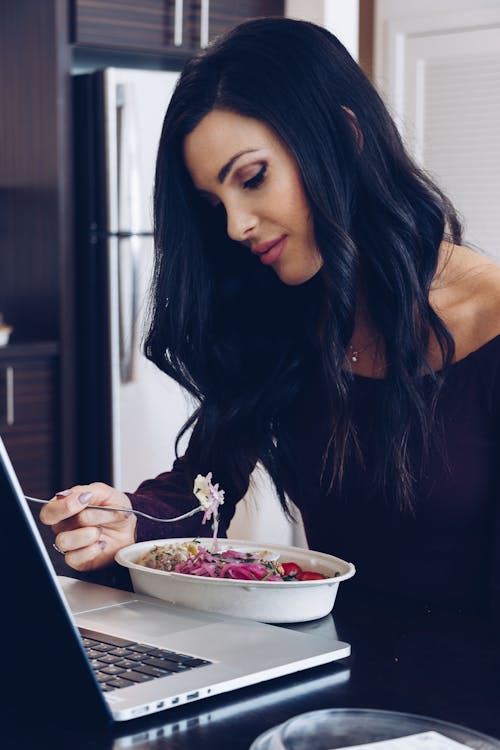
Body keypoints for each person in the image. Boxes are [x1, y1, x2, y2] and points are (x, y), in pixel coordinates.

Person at [40, 18, 500, 618]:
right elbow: (201, 490)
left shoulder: (489, 323)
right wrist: (125, 524)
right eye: (215, 205)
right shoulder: (293, 314)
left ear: (343, 136)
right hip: (331, 678)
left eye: (253, 178)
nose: (236, 226)